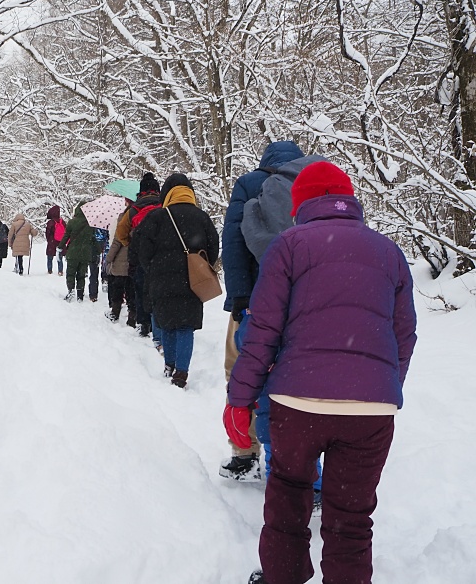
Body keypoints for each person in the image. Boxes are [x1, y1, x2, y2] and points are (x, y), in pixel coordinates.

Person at [225, 162, 417, 584]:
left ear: (300, 204)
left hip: (298, 404)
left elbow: (262, 333)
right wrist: (381, 386)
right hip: (371, 411)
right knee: (351, 519)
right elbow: (404, 334)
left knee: (288, 502)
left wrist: (239, 399)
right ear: (349, 200)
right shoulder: (388, 251)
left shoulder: (289, 246)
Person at [220, 140, 305, 480]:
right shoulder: (311, 182)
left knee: (240, 371)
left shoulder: (249, 183)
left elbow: (234, 240)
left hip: (256, 298)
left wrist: (239, 298)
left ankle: (245, 451)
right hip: (302, 302)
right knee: (297, 377)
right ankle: (296, 461)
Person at [137, 173, 219, 388]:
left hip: (161, 279)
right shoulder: (202, 217)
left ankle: (169, 365)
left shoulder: (157, 217)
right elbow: (213, 249)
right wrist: (200, 266)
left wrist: (153, 269)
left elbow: (142, 249)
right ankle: (181, 371)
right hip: (192, 280)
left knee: (167, 324)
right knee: (185, 326)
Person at [127, 173, 163, 341]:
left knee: (141, 289)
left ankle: (143, 323)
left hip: (141, 253)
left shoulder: (134, 209)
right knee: (159, 289)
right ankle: (159, 322)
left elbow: (122, 233)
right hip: (161, 255)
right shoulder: (165, 206)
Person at [60, 202, 93, 301]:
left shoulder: (72, 222)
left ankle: (71, 290)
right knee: (81, 275)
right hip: (85, 253)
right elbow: (93, 239)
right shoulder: (90, 223)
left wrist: (60, 246)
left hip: (73, 252)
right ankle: (80, 295)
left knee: (70, 273)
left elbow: (66, 236)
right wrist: (98, 251)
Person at [44, 205, 65, 275]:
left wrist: (49, 240)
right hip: (60, 241)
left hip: (52, 241)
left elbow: (47, 232)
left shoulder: (51, 222)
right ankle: (60, 270)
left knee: (50, 256)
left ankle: (50, 270)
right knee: (59, 256)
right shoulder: (62, 222)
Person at [88, 226, 107, 302]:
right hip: (105, 251)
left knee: (93, 273)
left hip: (94, 252)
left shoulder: (92, 226)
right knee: (105, 269)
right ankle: (105, 279)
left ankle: (93, 294)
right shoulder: (107, 225)